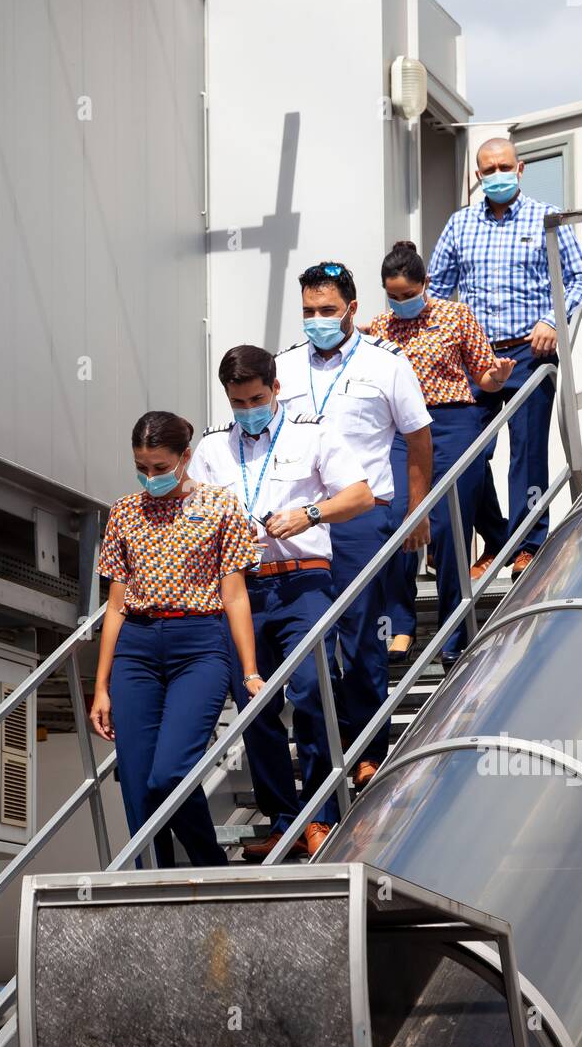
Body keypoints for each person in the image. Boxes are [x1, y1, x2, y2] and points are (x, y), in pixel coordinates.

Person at [189, 345, 374, 859]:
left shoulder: (312, 433)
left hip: (302, 582)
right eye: (236, 401)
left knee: (313, 689)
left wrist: (309, 513)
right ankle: (284, 819)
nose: (247, 409)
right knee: (254, 706)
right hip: (241, 588)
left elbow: (360, 495)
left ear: (275, 387)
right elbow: (196, 518)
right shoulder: (211, 451)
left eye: (255, 398)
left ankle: (320, 816)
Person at [275, 261, 432, 790]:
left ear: (352, 309)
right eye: (308, 312)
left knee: (362, 637)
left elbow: (418, 440)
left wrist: (416, 511)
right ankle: (325, 753)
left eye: (327, 311)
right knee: (310, 644)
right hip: (298, 525)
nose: (317, 320)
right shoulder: (284, 368)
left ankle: (367, 748)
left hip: (363, 518)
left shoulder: (387, 363)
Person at [90, 411, 261, 868]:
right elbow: (116, 604)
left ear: (186, 457)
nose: (151, 477)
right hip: (137, 648)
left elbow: (235, 594)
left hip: (200, 643)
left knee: (169, 774)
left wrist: (249, 670)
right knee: (137, 780)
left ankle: (210, 867)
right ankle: (152, 883)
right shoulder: (124, 512)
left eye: (160, 468)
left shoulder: (220, 506)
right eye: (142, 468)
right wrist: (101, 685)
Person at [428, 137, 582, 581]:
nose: (496, 174)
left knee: (527, 453)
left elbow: (579, 279)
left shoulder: (547, 218)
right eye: (488, 169)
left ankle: (529, 545)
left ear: (519, 170)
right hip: (474, 359)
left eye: (504, 166)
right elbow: (437, 293)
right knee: (467, 455)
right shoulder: (459, 225)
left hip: (529, 350)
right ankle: (498, 538)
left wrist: (552, 320)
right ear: (477, 177)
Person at [367, 240, 515, 668]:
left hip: (452, 423)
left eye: (408, 295)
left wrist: (497, 376)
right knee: (396, 522)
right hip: (401, 431)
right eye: (393, 297)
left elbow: (485, 378)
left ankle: (453, 632)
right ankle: (401, 624)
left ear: (425, 284)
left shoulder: (456, 316)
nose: (400, 303)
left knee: (450, 528)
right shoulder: (379, 327)